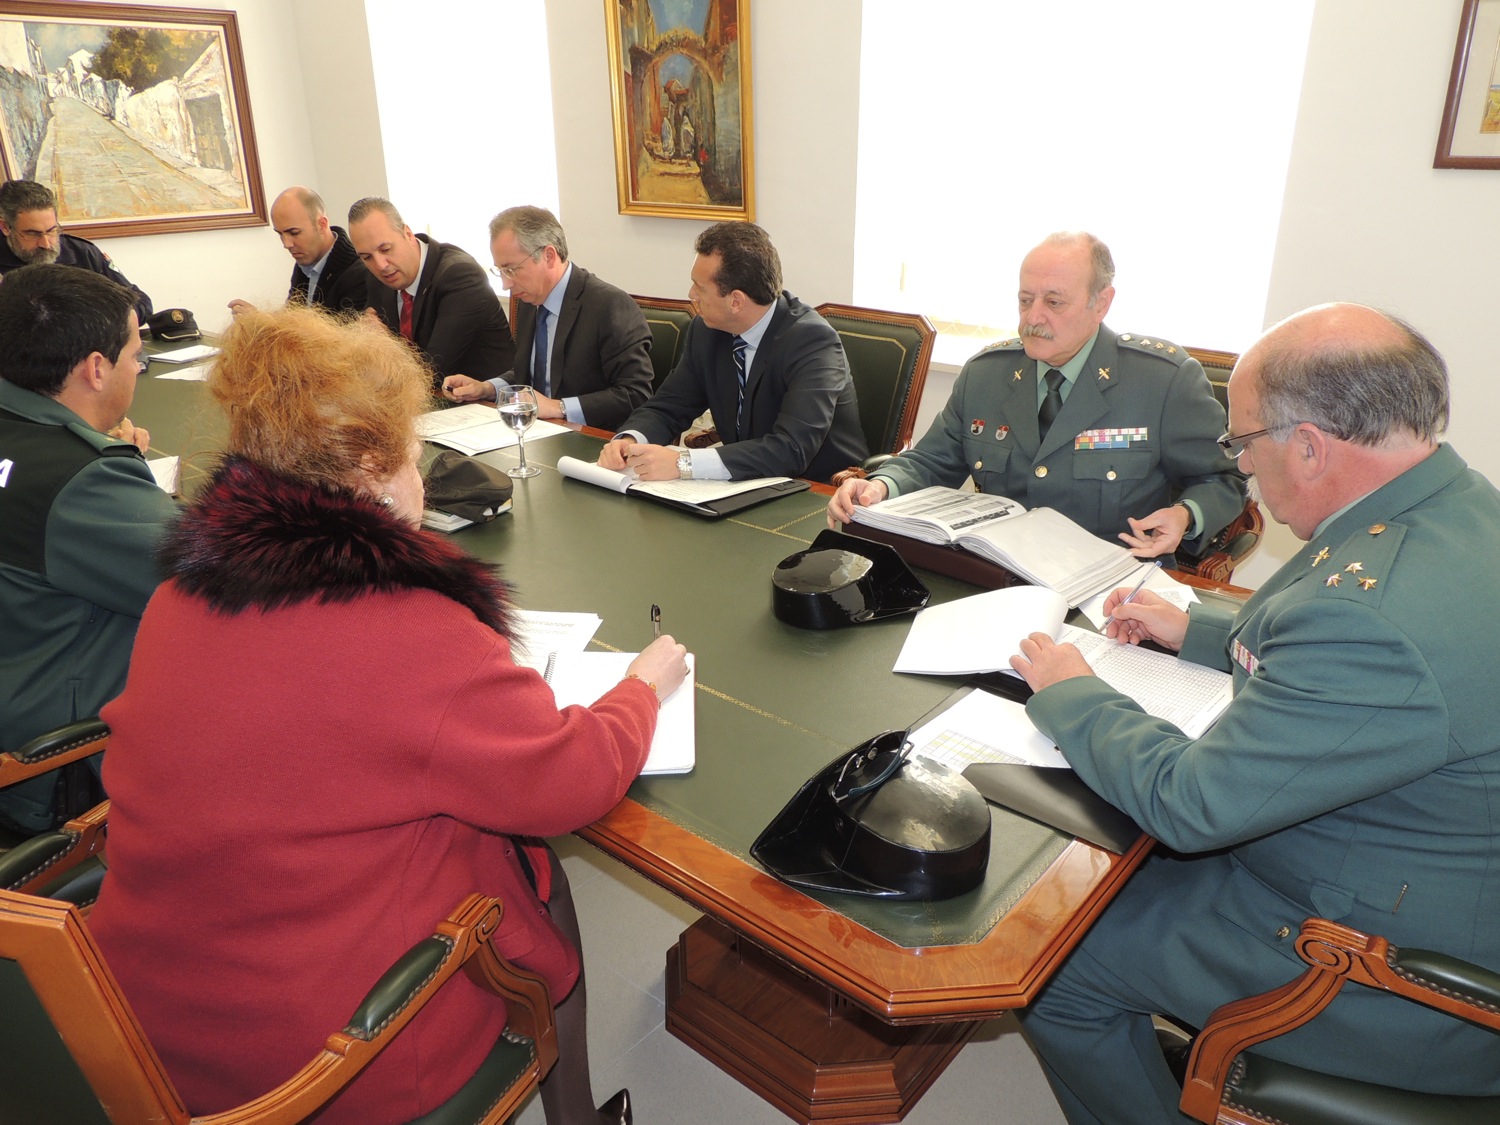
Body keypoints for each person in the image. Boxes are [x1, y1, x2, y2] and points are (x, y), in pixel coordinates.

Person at [87, 305, 684, 1125]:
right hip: (329, 1060)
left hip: (138, 1017)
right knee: (532, 868)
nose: (422, 473)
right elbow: (569, 779)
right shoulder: (411, 628)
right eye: (414, 451)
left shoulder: (179, 592)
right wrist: (641, 688)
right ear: (373, 468)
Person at [1008, 304, 1500, 1122]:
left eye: (1242, 442)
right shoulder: (1455, 504)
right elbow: (1350, 663)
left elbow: (1192, 804)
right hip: (1410, 869)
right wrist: (1198, 629)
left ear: (1308, 445)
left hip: (1383, 969)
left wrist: (1072, 692)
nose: (1239, 465)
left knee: (1049, 956)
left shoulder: (1369, 613)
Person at [827, 232, 1243, 559]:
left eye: (1054, 302)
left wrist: (1186, 515)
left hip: (1111, 584)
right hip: (996, 570)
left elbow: (1224, 479)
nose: (1033, 317)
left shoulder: (1162, 381)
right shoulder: (986, 374)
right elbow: (930, 462)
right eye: (1025, 300)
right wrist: (880, 487)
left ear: (1101, 303)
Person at [0, 264, 175, 835]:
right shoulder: (81, 481)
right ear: (96, 369)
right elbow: (224, 573)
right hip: (59, 773)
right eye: (135, 357)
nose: (137, 370)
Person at [598, 221, 866, 483]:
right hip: (743, 484)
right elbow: (668, 406)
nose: (691, 295)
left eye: (700, 288)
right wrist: (630, 439)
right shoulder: (707, 331)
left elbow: (791, 449)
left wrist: (683, 463)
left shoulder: (813, 342)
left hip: (818, 491)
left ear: (736, 301)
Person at [440, 205, 653, 430]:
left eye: (511, 270)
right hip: (536, 432)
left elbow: (636, 394)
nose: (506, 284)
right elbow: (530, 373)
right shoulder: (529, 300)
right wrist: (487, 389)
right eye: (500, 271)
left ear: (549, 256)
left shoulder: (609, 305)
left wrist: (558, 407)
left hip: (590, 437)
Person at [348, 196, 515, 390]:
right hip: (422, 400)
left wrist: (380, 343)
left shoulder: (459, 276)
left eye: (385, 249)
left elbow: (431, 371)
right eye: (367, 257)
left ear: (408, 234)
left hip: (482, 401)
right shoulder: (376, 279)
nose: (380, 265)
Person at [0, 180, 153, 323]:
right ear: (5, 227)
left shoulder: (82, 253)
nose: (46, 244)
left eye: (52, 231)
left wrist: (99, 322)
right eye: (32, 234)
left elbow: (140, 303)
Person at [227, 185, 365, 315]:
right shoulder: (304, 262)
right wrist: (259, 320)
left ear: (322, 225)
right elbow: (292, 318)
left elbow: (338, 332)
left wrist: (263, 323)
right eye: (280, 234)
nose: (286, 244)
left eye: (294, 233)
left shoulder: (360, 273)